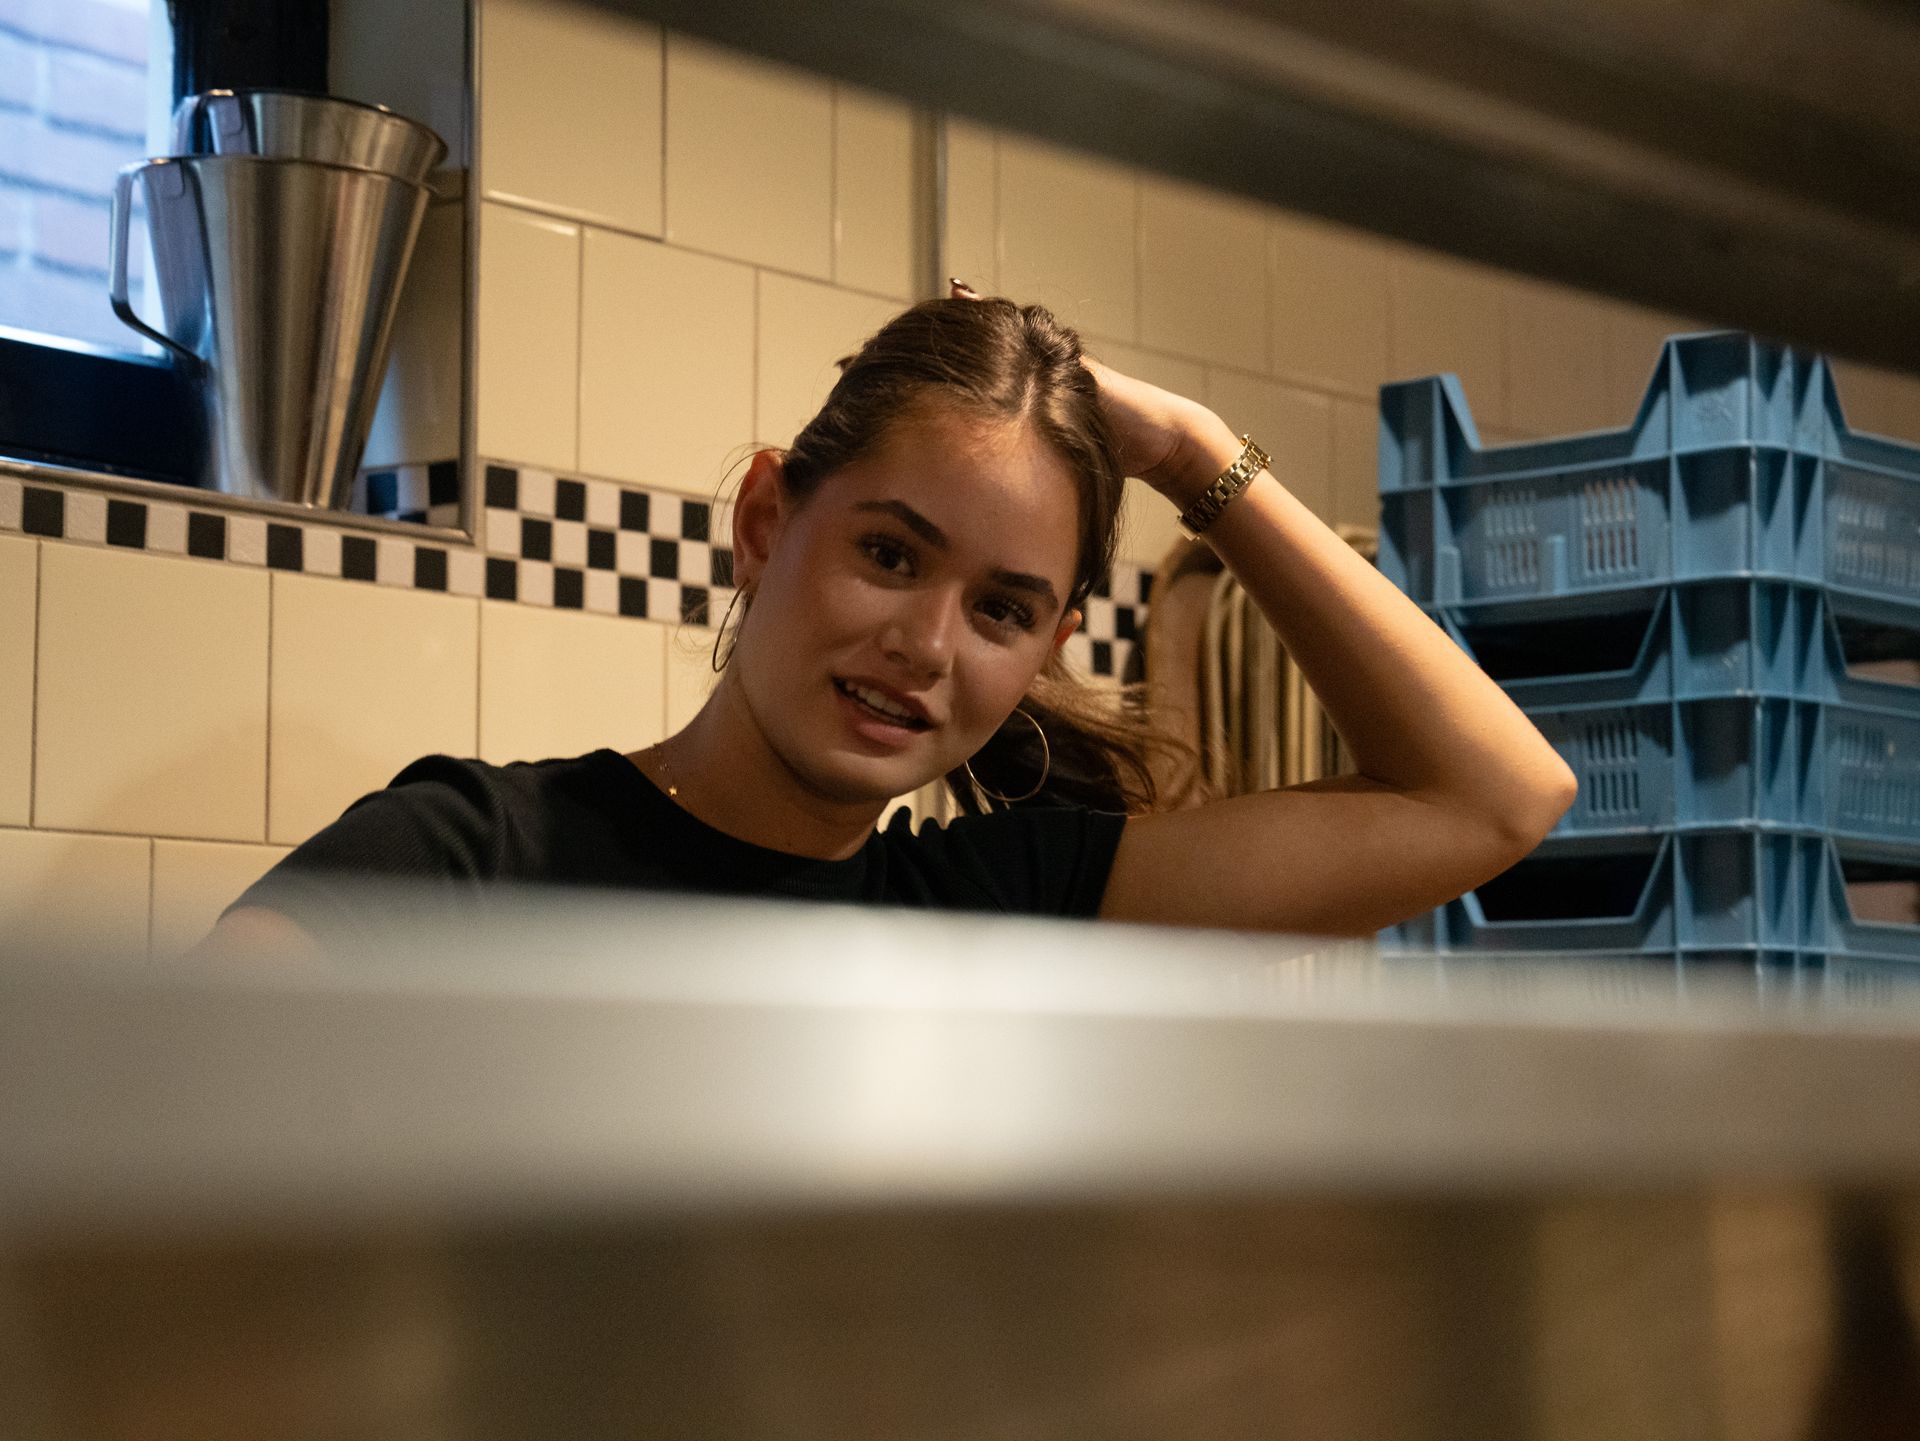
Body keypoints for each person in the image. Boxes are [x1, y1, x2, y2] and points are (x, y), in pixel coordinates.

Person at [205, 288, 1575, 961]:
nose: (925, 644)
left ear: (1049, 647)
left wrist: (1190, 449)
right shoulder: (471, 858)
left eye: (1002, 609)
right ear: (764, 520)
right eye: (888, 553)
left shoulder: (1011, 911)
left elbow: (1494, 797)